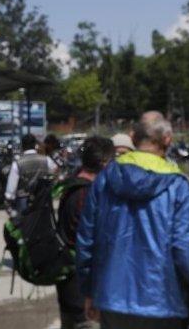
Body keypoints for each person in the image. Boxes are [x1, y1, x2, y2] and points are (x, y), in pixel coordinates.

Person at [76, 111, 189, 329]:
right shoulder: (179, 187)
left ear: (133, 137)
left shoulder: (104, 181)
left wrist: (88, 291)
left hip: (112, 300)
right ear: (167, 140)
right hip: (162, 304)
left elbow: (86, 243)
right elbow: (187, 252)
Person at [55, 137, 114, 329]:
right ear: (104, 163)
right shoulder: (88, 194)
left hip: (67, 284)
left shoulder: (71, 185)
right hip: (82, 290)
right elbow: (89, 246)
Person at [4, 134, 58, 209]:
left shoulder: (17, 164)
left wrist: (9, 200)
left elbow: (11, 189)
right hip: (42, 202)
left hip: (24, 202)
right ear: (35, 145)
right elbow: (55, 171)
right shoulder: (46, 160)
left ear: (22, 146)